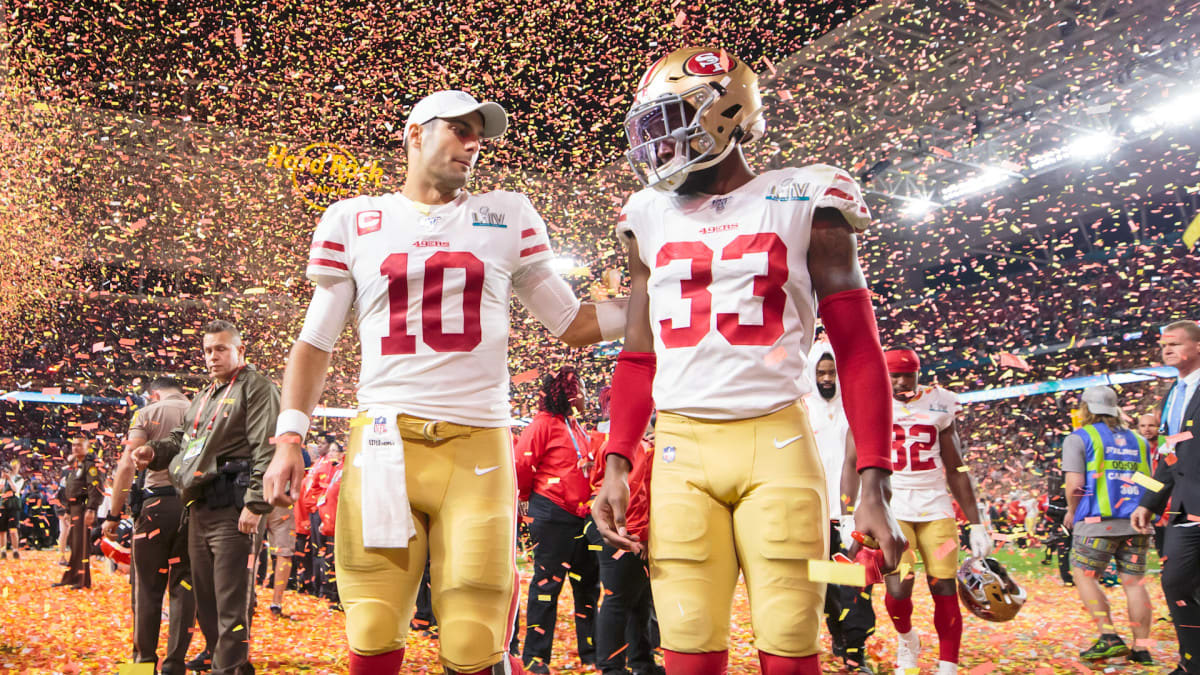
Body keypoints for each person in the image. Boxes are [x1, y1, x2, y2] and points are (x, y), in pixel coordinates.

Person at [262, 89, 626, 675]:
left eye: (478, 133)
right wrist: (288, 439)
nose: (472, 142)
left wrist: (652, 304)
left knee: (472, 631)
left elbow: (570, 322)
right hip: (383, 443)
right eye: (458, 129)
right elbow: (316, 342)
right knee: (374, 623)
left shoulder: (506, 213)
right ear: (414, 134)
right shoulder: (355, 219)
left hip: (477, 445)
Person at [591, 47, 906, 675]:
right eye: (648, 127)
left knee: (790, 642)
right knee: (686, 644)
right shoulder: (646, 214)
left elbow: (856, 349)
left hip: (778, 441)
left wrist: (875, 481)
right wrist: (617, 461)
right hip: (681, 446)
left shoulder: (803, 195)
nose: (656, 141)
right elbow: (637, 354)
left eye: (670, 119)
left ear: (725, 112)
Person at [132, 320, 281, 675]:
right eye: (208, 350)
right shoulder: (205, 395)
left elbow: (267, 447)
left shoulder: (257, 388)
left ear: (240, 350)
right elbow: (181, 441)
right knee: (206, 604)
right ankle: (232, 667)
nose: (212, 357)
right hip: (197, 509)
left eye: (221, 349)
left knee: (231, 605)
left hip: (233, 508)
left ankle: (227, 669)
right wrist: (153, 451)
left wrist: (255, 504)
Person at [880, 347, 992, 675]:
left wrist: (977, 523)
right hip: (894, 508)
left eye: (908, 375)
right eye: (894, 375)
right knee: (899, 587)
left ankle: (948, 664)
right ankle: (907, 639)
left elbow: (956, 467)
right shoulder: (873, 398)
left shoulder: (941, 402)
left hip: (936, 510)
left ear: (919, 373)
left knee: (943, 585)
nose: (901, 381)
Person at [105, 376, 201, 674]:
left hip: (155, 507)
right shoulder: (200, 409)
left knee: (147, 588)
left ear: (154, 394)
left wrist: (113, 513)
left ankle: (143, 665)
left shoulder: (147, 413)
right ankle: (175, 666)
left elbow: (126, 464)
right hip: (193, 507)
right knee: (185, 586)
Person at [515, 367, 601, 673]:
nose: (584, 395)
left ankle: (592, 653)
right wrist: (526, 500)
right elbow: (522, 465)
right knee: (546, 587)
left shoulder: (575, 425)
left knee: (588, 587)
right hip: (552, 516)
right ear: (564, 393)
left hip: (583, 518)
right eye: (578, 389)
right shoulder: (541, 425)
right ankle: (536, 658)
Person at [1062, 385, 1154, 664]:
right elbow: (1149, 483)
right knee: (1135, 583)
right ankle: (1141, 647)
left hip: (1096, 521)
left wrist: (1071, 511)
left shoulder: (1079, 438)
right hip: (1136, 522)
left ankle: (1109, 636)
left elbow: (1076, 485)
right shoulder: (1139, 441)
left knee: (1082, 574)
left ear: (1086, 409)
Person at [1132, 319, 1200, 675]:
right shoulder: (1172, 394)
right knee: (1175, 582)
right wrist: (1148, 501)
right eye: (1162, 346)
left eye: (1175, 343)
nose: (1167, 349)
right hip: (1186, 508)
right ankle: (1192, 662)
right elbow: (1169, 457)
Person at [803, 343, 876, 674]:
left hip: (853, 513)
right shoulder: (802, 409)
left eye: (832, 372)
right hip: (815, 516)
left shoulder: (855, 407)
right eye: (820, 372)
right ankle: (838, 634)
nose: (827, 378)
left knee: (856, 587)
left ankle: (855, 652)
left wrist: (854, 513)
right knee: (828, 587)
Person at [585, 418, 661, 675]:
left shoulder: (622, 445)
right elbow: (634, 496)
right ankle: (611, 667)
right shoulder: (638, 449)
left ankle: (642, 662)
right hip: (626, 531)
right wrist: (637, 537)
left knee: (639, 600)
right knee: (618, 598)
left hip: (624, 529)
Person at [54, 438, 104, 589]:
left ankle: (82, 580)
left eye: (79, 445)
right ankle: (72, 576)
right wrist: (68, 510)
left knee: (82, 544)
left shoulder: (90, 466)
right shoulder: (76, 466)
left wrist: (91, 509)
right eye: (73, 445)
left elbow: (95, 489)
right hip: (74, 508)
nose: (75, 448)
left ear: (87, 448)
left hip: (83, 509)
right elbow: (72, 489)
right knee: (74, 543)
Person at [263, 505, 296, 616]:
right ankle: (276, 603)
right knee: (284, 552)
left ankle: (249, 597)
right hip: (282, 501)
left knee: (252, 552)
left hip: (255, 499)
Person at [0, 462, 24, 558]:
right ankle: (3, 550)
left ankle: (15, 550)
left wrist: (9, 479)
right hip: (2, 507)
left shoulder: (19, 478)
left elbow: (16, 489)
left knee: (13, 530)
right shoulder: (1, 480)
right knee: (2, 530)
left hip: (13, 507)